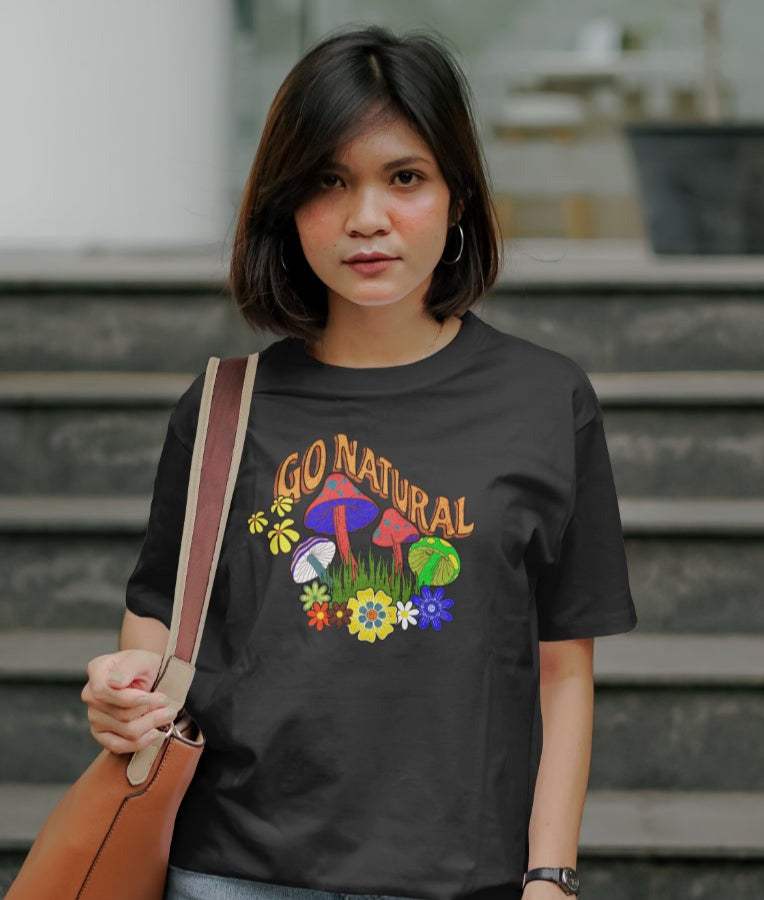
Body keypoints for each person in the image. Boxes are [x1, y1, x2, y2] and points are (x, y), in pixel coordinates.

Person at [80, 24, 637, 900]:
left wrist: (551, 874)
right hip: (233, 872)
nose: (366, 218)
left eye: (404, 178)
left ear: (458, 195)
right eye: (328, 182)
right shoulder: (227, 407)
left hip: (458, 875)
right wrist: (123, 686)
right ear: (285, 206)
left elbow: (565, 669)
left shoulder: (545, 399)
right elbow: (158, 616)